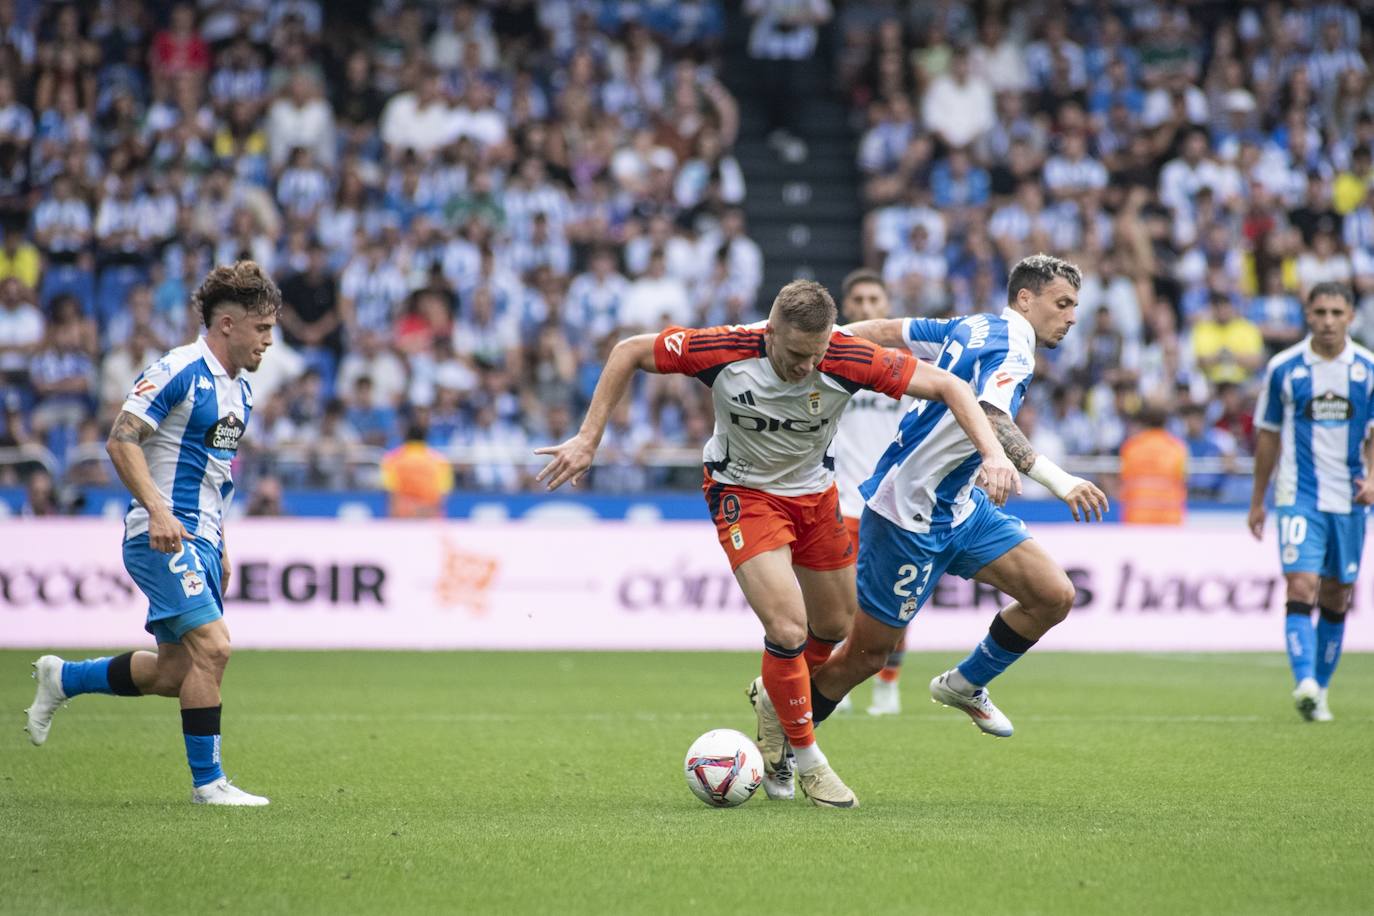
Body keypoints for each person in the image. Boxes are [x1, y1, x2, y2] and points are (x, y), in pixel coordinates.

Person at [535, 279, 1017, 808]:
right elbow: (629, 351)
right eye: (794, 354)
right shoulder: (719, 348)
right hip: (743, 493)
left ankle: (772, 697)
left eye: (816, 355)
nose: (805, 367)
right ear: (770, 331)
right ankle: (806, 761)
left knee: (834, 627)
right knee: (786, 627)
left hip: (815, 495)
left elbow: (950, 386)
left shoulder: (846, 355)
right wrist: (588, 438)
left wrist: (992, 453)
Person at [811, 254, 1110, 739]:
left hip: (961, 506)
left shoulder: (971, 325)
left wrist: (816, 341)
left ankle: (966, 683)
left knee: (1053, 595)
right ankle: (784, 733)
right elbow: (994, 416)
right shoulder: (1015, 350)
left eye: (1075, 305)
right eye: (1062, 303)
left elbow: (886, 329)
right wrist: (1063, 482)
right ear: (1026, 299)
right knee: (865, 658)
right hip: (908, 513)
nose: (1072, 316)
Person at [25, 261, 281, 806]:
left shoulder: (242, 392)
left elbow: (216, 475)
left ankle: (64, 678)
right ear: (228, 324)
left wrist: (223, 544)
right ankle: (209, 784)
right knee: (215, 648)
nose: (269, 341)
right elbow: (122, 438)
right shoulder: (179, 369)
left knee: (173, 672)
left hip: (203, 540)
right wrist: (159, 510)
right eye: (262, 329)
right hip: (162, 535)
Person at [1249, 282, 1374, 722]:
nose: (1327, 321)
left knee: (1338, 596)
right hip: (1298, 495)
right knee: (1301, 585)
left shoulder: (1368, 368)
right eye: (1319, 312)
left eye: (1336, 313)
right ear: (1307, 315)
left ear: (1351, 317)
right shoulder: (1284, 368)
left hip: (1351, 499)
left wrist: (1373, 478)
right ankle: (1304, 680)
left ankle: (1319, 689)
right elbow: (1267, 435)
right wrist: (1257, 500)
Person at [830, 269, 911, 715]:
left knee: (895, 600)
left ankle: (888, 684)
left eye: (873, 299)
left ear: (886, 306)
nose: (864, 307)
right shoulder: (829, 360)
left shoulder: (906, 364)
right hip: (839, 501)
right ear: (846, 307)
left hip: (893, 504)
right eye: (857, 299)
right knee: (840, 602)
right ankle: (841, 682)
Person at [1118, 402, 1188, 524]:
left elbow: (1124, 478)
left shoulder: (1132, 447)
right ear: (1165, 422)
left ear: (1144, 423)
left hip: (1138, 516)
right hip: (1169, 517)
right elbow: (1183, 478)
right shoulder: (1176, 448)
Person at [380, 420, 454, 518]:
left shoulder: (392, 459)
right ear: (425, 438)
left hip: (402, 515)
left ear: (405, 437)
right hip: (429, 514)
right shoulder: (439, 460)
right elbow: (444, 493)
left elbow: (390, 491)